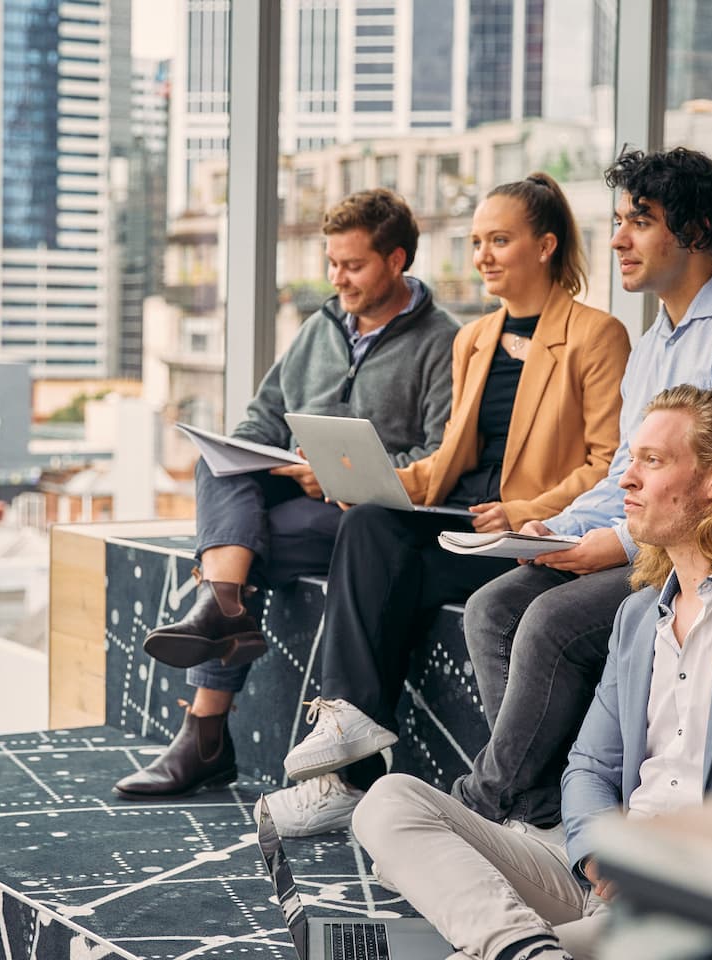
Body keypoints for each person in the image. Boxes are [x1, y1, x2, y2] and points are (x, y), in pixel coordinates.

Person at [353, 385, 712, 960]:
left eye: (652, 462)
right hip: (605, 884)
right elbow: (590, 765)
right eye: (630, 460)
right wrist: (597, 851)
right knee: (390, 802)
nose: (627, 480)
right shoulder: (638, 615)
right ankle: (525, 948)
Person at [453, 147, 712, 828]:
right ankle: (543, 808)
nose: (619, 239)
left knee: (550, 623)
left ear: (695, 230)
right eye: (620, 220)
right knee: (492, 609)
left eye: (641, 221)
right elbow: (625, 470)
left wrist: (617, 543)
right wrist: (560, 529)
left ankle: (485, 802)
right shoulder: (653, 345)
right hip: (659, 546)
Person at [263, 173, 632, 836]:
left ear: (546, 245)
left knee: (380, 555)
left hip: (531, 531)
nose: (482, 256)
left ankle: (355, 779)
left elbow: (607, 464)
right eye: (475, 242)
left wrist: (523, 512)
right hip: (463, 514)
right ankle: (351, 738)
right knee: (371, 524)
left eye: (499, 240)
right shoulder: (474, 339)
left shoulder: (596, 336)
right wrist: (371, 478)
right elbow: (448, 460)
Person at [116, 188, 460, 801]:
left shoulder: (442, 342)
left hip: (364, 520)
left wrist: (335, 474)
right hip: (295, 497)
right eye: (331, 263)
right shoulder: (319, 328)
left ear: (396, 260)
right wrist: (250, 453)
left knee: (240, 552)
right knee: (216, 467)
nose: (338, 279)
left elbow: (439, 458)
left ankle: (206, 719)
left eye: (352, 266)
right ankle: (225, 605)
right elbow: (262, 417)